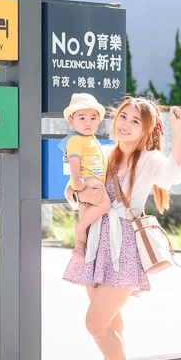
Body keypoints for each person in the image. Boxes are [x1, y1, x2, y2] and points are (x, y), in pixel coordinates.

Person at [62, 96, 181, 360]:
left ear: (147, 130)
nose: (126, 123)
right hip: (95, 242)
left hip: (124, 246)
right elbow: (72, 189)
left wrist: (177, 129)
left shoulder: (149, 158)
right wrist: (79, 194)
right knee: (111, 326)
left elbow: (174, 174)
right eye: (123, 116)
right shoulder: (102, 152)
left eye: (135, 120)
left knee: (96, 323)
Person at [61, 92, 111, 265]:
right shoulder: (75, 139)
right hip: (88, 181)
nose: (88, 122)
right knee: (104, 204)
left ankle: (79, 248)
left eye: (93, 118)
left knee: (86, 218)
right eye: (82, 118)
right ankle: (79, 228)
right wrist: (76, 182)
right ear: (71, 120)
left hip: (90, 182)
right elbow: (74, 161)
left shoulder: (91, 139)